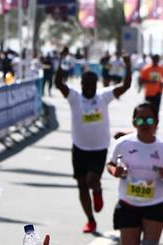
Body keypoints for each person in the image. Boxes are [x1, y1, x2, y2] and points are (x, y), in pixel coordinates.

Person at [55, 48, 132, 233]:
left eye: (92, 84)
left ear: (97, 84)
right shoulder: (74, 97)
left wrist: (128, 66)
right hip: (79, 147)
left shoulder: (103, 96)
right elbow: (58, 83)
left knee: (91, 180)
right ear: (81, 84)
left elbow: (126, 85)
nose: (89, 87)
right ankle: (90, 220)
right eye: (86, 84)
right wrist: (61, 59)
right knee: (82, 186)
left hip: (99, 148)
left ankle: (97, 190)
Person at [107, 102, 163, 245]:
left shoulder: (161, 147)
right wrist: (115, 171)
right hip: (128, 204)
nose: (144, 124)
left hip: (155, 204)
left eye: (149, 120)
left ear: (156, 122)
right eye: (140, 119)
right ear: (134, 122)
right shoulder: (123, 143)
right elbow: (111, 164)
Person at [139, 54, 163, 119]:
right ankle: (149, 121)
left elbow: (161, 79)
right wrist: (150, 82)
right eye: (155, 59)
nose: (156, 61)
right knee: (148, 110)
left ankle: (155, 122)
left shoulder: (161, 68)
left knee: (156, 109)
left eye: (157, 59)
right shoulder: (146, 68)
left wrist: (161, 83)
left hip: (158, 92)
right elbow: (141, 81)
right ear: (152, 59)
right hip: (149, 93)